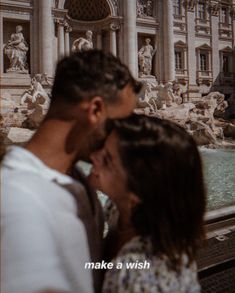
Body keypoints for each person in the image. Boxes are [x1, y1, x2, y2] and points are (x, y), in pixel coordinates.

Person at [1, 50, 141, 293]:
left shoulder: (76, 180)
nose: (123, 138)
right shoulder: (18, 201)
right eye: (120, 125)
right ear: (96, 110)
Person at [89, 114, 206, 292]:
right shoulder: (119, 210)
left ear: (136, 192)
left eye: (107, 159)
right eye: (102, 147)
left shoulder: (135, 275)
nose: (93, 156)